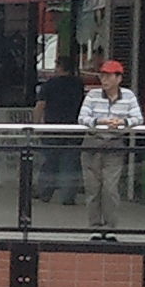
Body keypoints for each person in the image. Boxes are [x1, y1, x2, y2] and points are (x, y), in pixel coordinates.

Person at [78, 60, 144, 233]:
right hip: (92, 142)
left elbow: (138, 119)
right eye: (102, 75)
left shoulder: (128, 96)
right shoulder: (92, 95)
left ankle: (110, 227)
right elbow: (82, 118)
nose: (104, 80)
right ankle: (94, 227)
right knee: (92, 189)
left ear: (119, 78)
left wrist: (123, 122)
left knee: (110, 188)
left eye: (108, 76)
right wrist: (100, 121)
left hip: (115, 144)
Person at [37, 63, 87, 205]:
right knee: (71, 163)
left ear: (60, 68)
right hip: (74, 129)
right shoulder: (78, 84)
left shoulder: (50, 84)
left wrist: (36, 124)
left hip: (52, 128)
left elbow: (40, 105)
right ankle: (68, 197)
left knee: (50, 161)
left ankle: (44, 193)